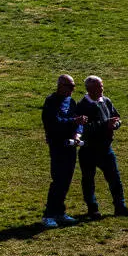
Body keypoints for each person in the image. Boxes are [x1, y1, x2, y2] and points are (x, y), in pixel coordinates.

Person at [75, 76, 128, 219]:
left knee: (115, 179)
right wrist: (105, 125)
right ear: (89, 89)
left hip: (105, 149)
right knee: (89, 181)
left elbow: (116, 117)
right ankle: (93, 209)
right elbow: (83, 128)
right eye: (98, 87)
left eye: (102, 86)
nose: (102, 89)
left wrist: (116, 124)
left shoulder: (106, 101)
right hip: (89, 150)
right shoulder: (82, 106)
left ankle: (120, 207)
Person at [41, 75, 87, 228]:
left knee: (66, 180)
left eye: (74, 87)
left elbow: (78, 121)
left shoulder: (71, 101)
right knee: (58, 180)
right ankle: (48, 215)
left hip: (71, 145)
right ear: (60, 86)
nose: (73, 90)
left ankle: (60, 212)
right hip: (58, 146)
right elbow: (54, 123)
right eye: (70, 87)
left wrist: (78, 133)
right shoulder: (51, 102)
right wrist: (74, 122)